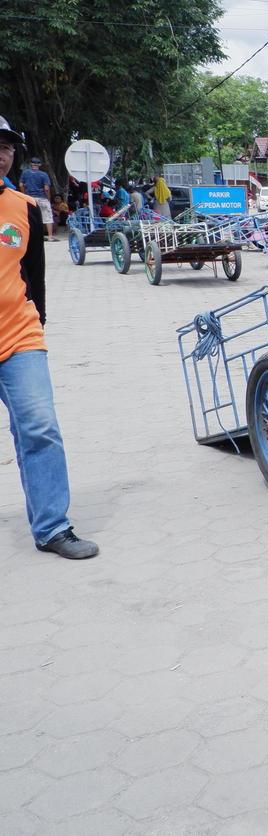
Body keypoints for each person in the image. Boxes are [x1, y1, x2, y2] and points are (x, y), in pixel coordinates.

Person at [0, 117, 98, 560]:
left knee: (40, 427)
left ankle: (53, 528)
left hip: (18, 337)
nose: (1, 152)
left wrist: (37, 320)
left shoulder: (23, 207)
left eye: (7, 146)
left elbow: (33, 274)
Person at [19, 157, 53, 240]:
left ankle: (31, 236)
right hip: (42, 198)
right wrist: (48, 198)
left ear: (31, 164)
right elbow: (46, 188)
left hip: (29, 198)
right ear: (40, 164)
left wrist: (24, 195)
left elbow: (20, 185)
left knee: (30, 217)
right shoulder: (43, 174)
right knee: (47, 217)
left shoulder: (25, 173)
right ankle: (50, 236)